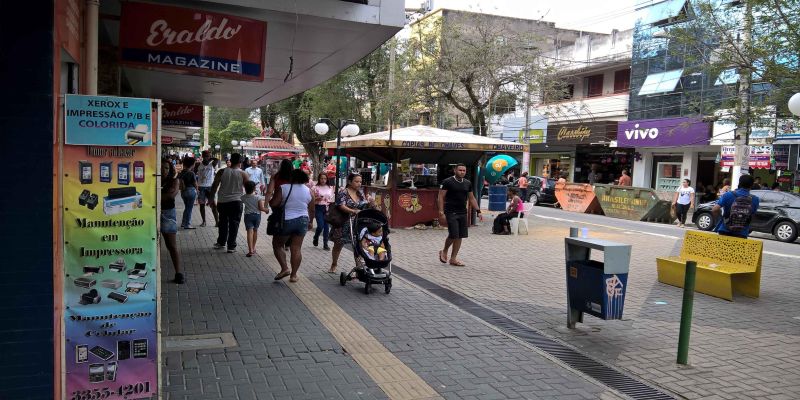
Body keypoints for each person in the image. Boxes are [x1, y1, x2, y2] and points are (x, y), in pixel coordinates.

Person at [271, 169, 315, 283]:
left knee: (277, 245)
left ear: (292, 177)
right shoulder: (309, 191)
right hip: (303, 221)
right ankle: (294, 275)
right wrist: (310, 222)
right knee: (296, 248)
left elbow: (274, 203)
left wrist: (271, 201)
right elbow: (312, 209)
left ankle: (285, 268)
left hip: (287, 220)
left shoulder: (283, 187)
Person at [438, 164, 481, 267]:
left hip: (463, 212)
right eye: (460, 170)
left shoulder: (467, 183)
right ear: (455, 170)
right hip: (451, 211)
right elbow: (440, 197)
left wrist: (478, 211)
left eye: (464, 170)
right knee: (453, 234)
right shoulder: (447, 182)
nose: (462, 172)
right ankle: (444, 251)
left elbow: (472, 198)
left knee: (460, 235)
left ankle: (453, 259)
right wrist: (441, 212)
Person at [330, 173, 372, 273]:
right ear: (350, 182)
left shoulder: (360, 194)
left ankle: (359, 267)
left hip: (356, 223)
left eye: (360, 182)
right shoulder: (343, 192)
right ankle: (334, 264)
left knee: (358, 245)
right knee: (338, 244)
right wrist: (353, 211)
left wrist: (370, 202)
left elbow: (364, 205)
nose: (359, 184)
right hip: (343, 222)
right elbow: (340, 205)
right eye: (356, 181)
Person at [211, 153, 249, 253]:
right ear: (240, 162)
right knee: (234, 224)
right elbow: (248, 189)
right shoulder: (243, 174)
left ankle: (221, 242)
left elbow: (214, 185)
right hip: (236, 202)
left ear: (230, 160)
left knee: (223, 222)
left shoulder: (221, 171)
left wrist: (211, 198)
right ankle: (231, 246)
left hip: (222, 201)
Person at [160, 158, 183, 284]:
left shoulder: (174, 181)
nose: (163, 170)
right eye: (161, 167)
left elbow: (170, 195)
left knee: (171, 245)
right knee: (153, 244)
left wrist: (152, 196)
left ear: (170, 170)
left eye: (166, 168)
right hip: (152, 213)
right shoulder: (152, 179)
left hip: (168, 214)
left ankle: (178, 272)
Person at [242, 181, 268, 257]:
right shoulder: (258, 197)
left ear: (245, 189)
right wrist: (267, 210)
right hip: (257, 216)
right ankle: (253, 247)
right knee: (255, 231)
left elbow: (241, 200)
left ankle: (250, 250)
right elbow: (261, 208)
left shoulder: (243, 197)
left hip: (248, 216)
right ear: (254, 188)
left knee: (249, 232)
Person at [194, 151, 219, 227]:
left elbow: (217, 160)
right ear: (202, 156)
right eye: (205, 156)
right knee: (202, 205)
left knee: (213, 205)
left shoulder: (212, 164)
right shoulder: (198, 164)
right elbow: (194, 172)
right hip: (201, 187)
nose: (206, 157)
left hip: (210, 187)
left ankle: (217, 222)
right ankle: (204, 221)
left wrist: (210, 158)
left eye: (208, 156)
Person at [311, 172, 334, 250]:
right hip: (318, 208)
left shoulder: (330, 188)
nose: (323, 180)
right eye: (321, 178)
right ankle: (316, 236)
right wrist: (317, 199)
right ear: (319, 179)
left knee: (326, 227)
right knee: (320, 226)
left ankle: (325, 244)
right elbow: (310, 199)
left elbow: (332, 198)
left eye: (325, 178)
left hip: (327, 208)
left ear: (327, 179)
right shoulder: (315, 187)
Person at [177, 157, 198, 229]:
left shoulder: (181, 172)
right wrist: (197, 192)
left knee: (187, 208)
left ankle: (183, 223)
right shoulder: (191, 173)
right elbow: (195, 184)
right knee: (189, 209)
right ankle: (187, 224)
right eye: (194, 163)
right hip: (191, 191)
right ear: (192, 164)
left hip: (183, 192)